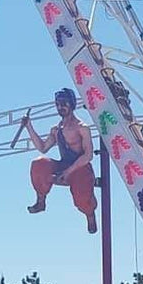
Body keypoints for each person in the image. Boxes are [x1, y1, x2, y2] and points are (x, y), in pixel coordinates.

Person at [22, 89, 98, 233]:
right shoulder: (56, 130)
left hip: (80, 168)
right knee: (39, 163)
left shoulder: (82, 128)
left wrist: (69, 171)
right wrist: (29, 127)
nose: (60, 107)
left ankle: (89, 213)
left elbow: (88, 156)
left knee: (82, 198)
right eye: (57, 104)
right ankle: (41, 200)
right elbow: (43, 148)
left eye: (63, 103)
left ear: (71, 104)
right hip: (63, 165)